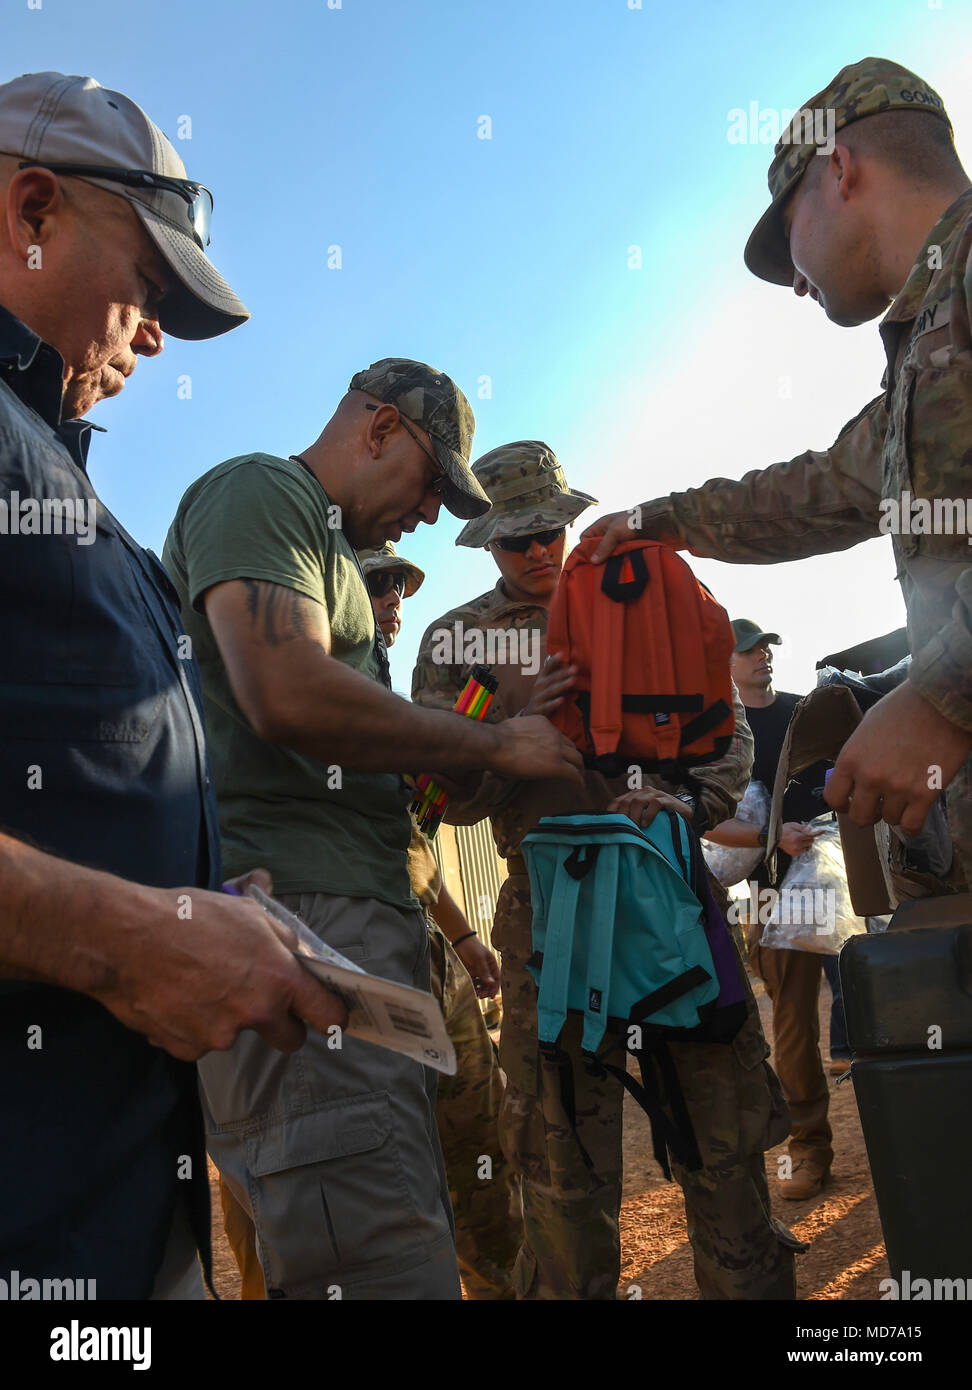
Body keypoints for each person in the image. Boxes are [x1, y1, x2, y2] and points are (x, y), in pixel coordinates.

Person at [0, 71, 347, 1302]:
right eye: (148, 289)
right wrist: (130, 938)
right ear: (31, 208)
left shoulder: (62, 478)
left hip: (114, 1206)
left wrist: (188, 890)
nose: (153, 336)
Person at [163, 362, 582, 1301]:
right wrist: (498, 740)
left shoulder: (321, 546)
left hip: (358, 921)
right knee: (372, 1252)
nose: (432, 514)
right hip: (306, 921)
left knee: (405, 1212)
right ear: (380, 428)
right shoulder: (260, 489)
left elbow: (385, 778)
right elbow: (286, 689)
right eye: (432, 484)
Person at [413, 441, 804, 1300]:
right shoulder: (459, 640)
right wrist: (503, 736)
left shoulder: (645, 589)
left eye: (552, 529)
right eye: (518, 541)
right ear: (487, 543)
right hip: (548, 926)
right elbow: (442, 799)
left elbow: (728, 728)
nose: (541, 551)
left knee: (723, 1140)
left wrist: (689, 803)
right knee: (561, 1169)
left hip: (666, 900)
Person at [586, 56, 972, 887]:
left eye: (788, 232)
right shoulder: (922, 355)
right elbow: (815, 491)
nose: (796, 282)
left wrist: (944, 693)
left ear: (841, 169)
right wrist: (660, 519)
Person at [360, 539, 520, 1299]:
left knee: (478, 1137)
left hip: (425, 946)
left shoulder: (395, 699)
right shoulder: (302, 690)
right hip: (347, 951)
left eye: (399, 586)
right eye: (377, 583)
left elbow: (412, 838)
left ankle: (494, 1280)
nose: (394, 599)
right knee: (374, 1169)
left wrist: (459, 935)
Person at [704, 620, 845, 1201]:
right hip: (770, 893)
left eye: (767, 649)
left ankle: (918, 1115)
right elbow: (705, 819)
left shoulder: (806, 711)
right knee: (791, 1025)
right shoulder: (720, 735)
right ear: (724, 663)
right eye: (748, 651)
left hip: (841, 882)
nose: (762, 657)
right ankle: (809, 1146)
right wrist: (770, 840)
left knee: (881, 995)